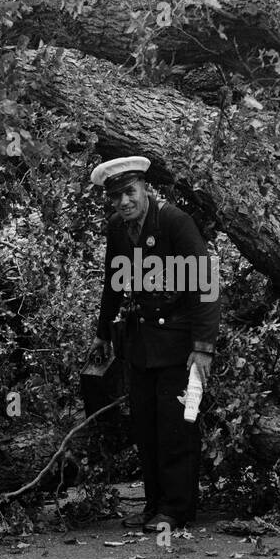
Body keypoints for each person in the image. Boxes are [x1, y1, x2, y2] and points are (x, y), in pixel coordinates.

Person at [88, 156, 219, 533]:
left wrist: (203, 346)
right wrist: (101, 334)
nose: (123, 202)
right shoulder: (118, 228)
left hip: (179, 341)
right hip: (141, 343)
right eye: (116, 197)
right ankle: (153, 505)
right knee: (145, 426)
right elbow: (114, 282)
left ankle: (176, 508)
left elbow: (205, 283)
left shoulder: (173, 222)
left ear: (145, 188)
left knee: (175, 426)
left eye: (129, 192)